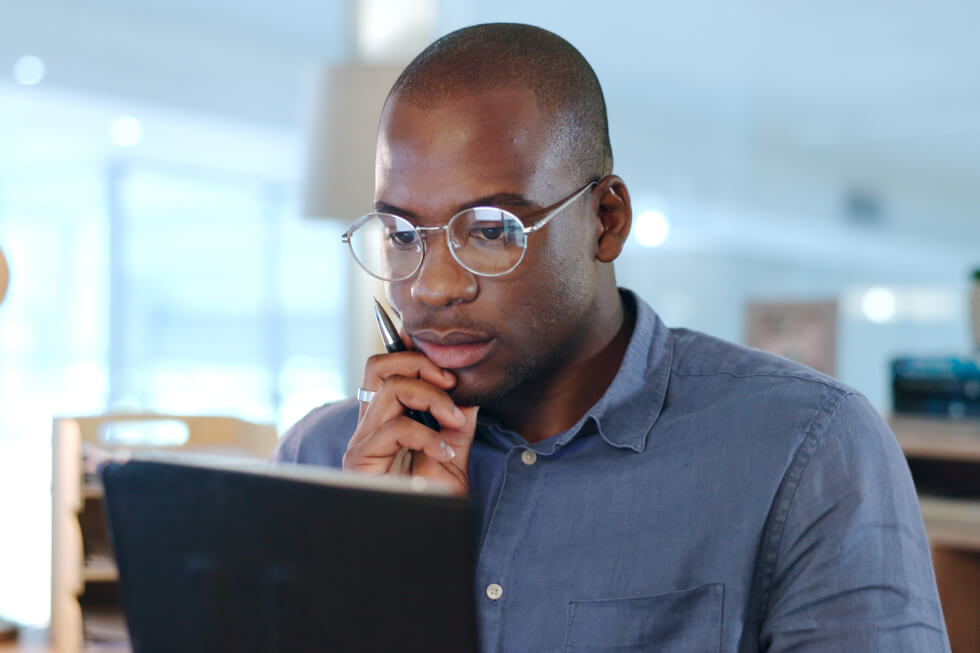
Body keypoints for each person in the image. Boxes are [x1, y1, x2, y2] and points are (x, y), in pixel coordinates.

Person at [273, 23, 950, 652]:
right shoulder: (325, 458)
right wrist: (371, 550)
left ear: (606, 219)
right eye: (402, 235)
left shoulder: (805, 447)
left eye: (489, 230)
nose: (432, 286)